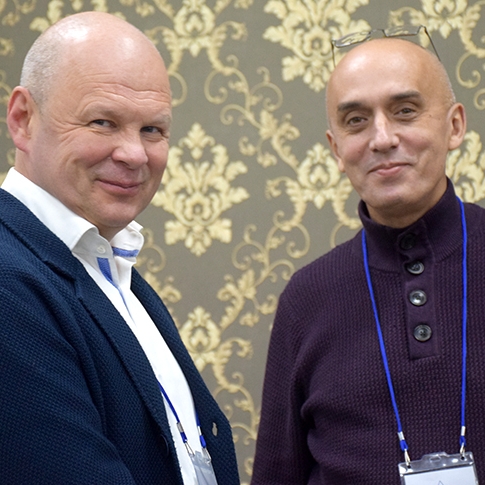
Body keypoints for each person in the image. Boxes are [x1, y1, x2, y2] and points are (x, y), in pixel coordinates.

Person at [0, 11, 239, 485]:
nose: (134, 153)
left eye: (152, 130)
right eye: (103, 122)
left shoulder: (107, 267)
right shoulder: (9, 283)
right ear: (23, 120)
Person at [251, 35, 485, 484]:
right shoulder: (307, 298)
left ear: (454, 126)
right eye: (356, 121)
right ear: (337, 149)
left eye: (405, 111)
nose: (382, 138)